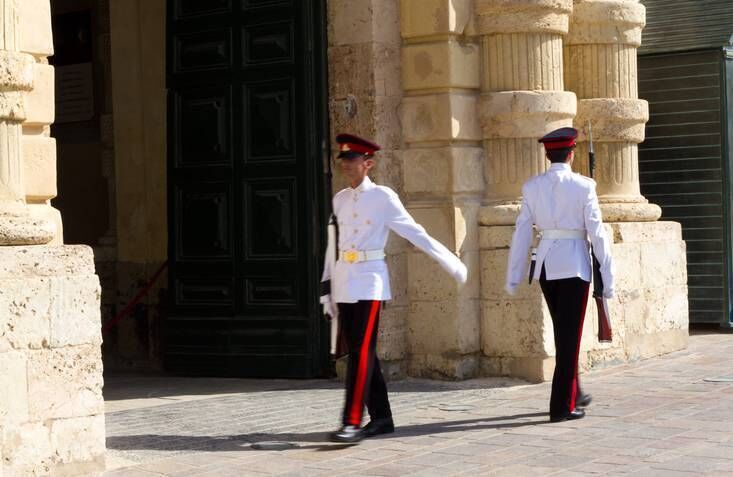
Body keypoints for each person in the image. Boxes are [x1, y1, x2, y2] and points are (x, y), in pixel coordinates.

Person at [321, 133, 468, 443]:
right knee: (362, 354)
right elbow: (332, 245)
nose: (346, 165)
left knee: (361, 352)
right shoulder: (340, 199)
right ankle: (382, 417)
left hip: (371, 281)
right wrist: (327, 287)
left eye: (352, 160)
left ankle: (351, 421)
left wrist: (449, 262)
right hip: (345, 280)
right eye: (343, 160)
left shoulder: (383, 197)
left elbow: (414, 232)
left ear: (368, 163)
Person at [505, 127, 614, 423]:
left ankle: (574, 392)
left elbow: (522, 231)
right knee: (569, 340)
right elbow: (597, 232)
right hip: (575, 267)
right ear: (572, 152)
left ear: (546, 153)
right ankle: (561, 406)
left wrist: (514, 273)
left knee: (563, 334)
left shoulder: (532, 186)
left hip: (545, 267)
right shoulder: (584, 186)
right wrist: (607, 270)